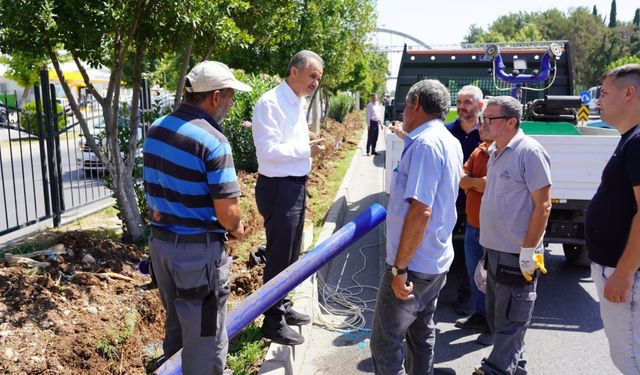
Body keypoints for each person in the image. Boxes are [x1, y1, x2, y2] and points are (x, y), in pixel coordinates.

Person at [143, 61, 251, 374]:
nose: (231, 103)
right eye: (230, 96)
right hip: (197, 257)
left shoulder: (157, 129)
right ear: (215, 97)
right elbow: (227, 213)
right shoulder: (213, 141)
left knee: (177, 326)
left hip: (161, 248)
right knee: (205, 339)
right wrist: (237, 227)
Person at [370, 79, 462, 374]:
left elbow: (421, 210)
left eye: (405, 106)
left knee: (386, 342)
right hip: (435, 260)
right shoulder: (449, 140)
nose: (403, 113)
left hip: (414, 265)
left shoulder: (424, 144)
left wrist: (399, 269)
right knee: (421, 332)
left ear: (416, 104)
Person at [251, 50, 325, 346]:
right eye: (311, 76)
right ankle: (272, 322)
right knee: (280, 256)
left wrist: (306, 141)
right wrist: (307, 150)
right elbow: (268, 152)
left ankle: (281, 305)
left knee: (292, 255)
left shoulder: (296, 101)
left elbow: (287, 142)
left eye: (318, 78)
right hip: (278, 187)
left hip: (294, 185)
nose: (315, 83)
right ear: (293, 71)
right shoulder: (270, 103)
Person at [473, 96, 551, 375]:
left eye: (490, 118)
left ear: (511, 122)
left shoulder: (529, 152)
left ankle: (495, 369)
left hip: (517, 254)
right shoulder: (495, 151)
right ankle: (516, 368)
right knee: (499, 319)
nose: (484, 123)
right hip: (495, 252)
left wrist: (529, 250)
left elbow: (543, 205)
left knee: (511, 320)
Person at [585, 64, 640, 374]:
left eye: (604, 93)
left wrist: (624, 272)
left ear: (629, 93)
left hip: (626, 275)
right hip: (623, 271)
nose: (598, 101)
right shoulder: (630, 139)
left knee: (631, 359)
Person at [456, 116, 494, 346]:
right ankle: (480, 315)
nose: (482, 126)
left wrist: (473, 182)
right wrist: (475, 182)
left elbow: (490, 184)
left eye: (488, 122)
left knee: (494, 280)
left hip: (493, 230)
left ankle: (493, 326)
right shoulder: (478, 151)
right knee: (476, 275)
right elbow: (461, 180)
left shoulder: (501, 154)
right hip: (473, 225)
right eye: (481, 122)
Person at [446, 85, 484, 315]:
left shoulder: (488, 133)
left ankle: (467, 292)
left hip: (476, 202)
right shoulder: (446, 131)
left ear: (480, 106)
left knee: (474, 253)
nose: (462, 107)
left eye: (468, 102)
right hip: (449, 199)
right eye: (459, 102)